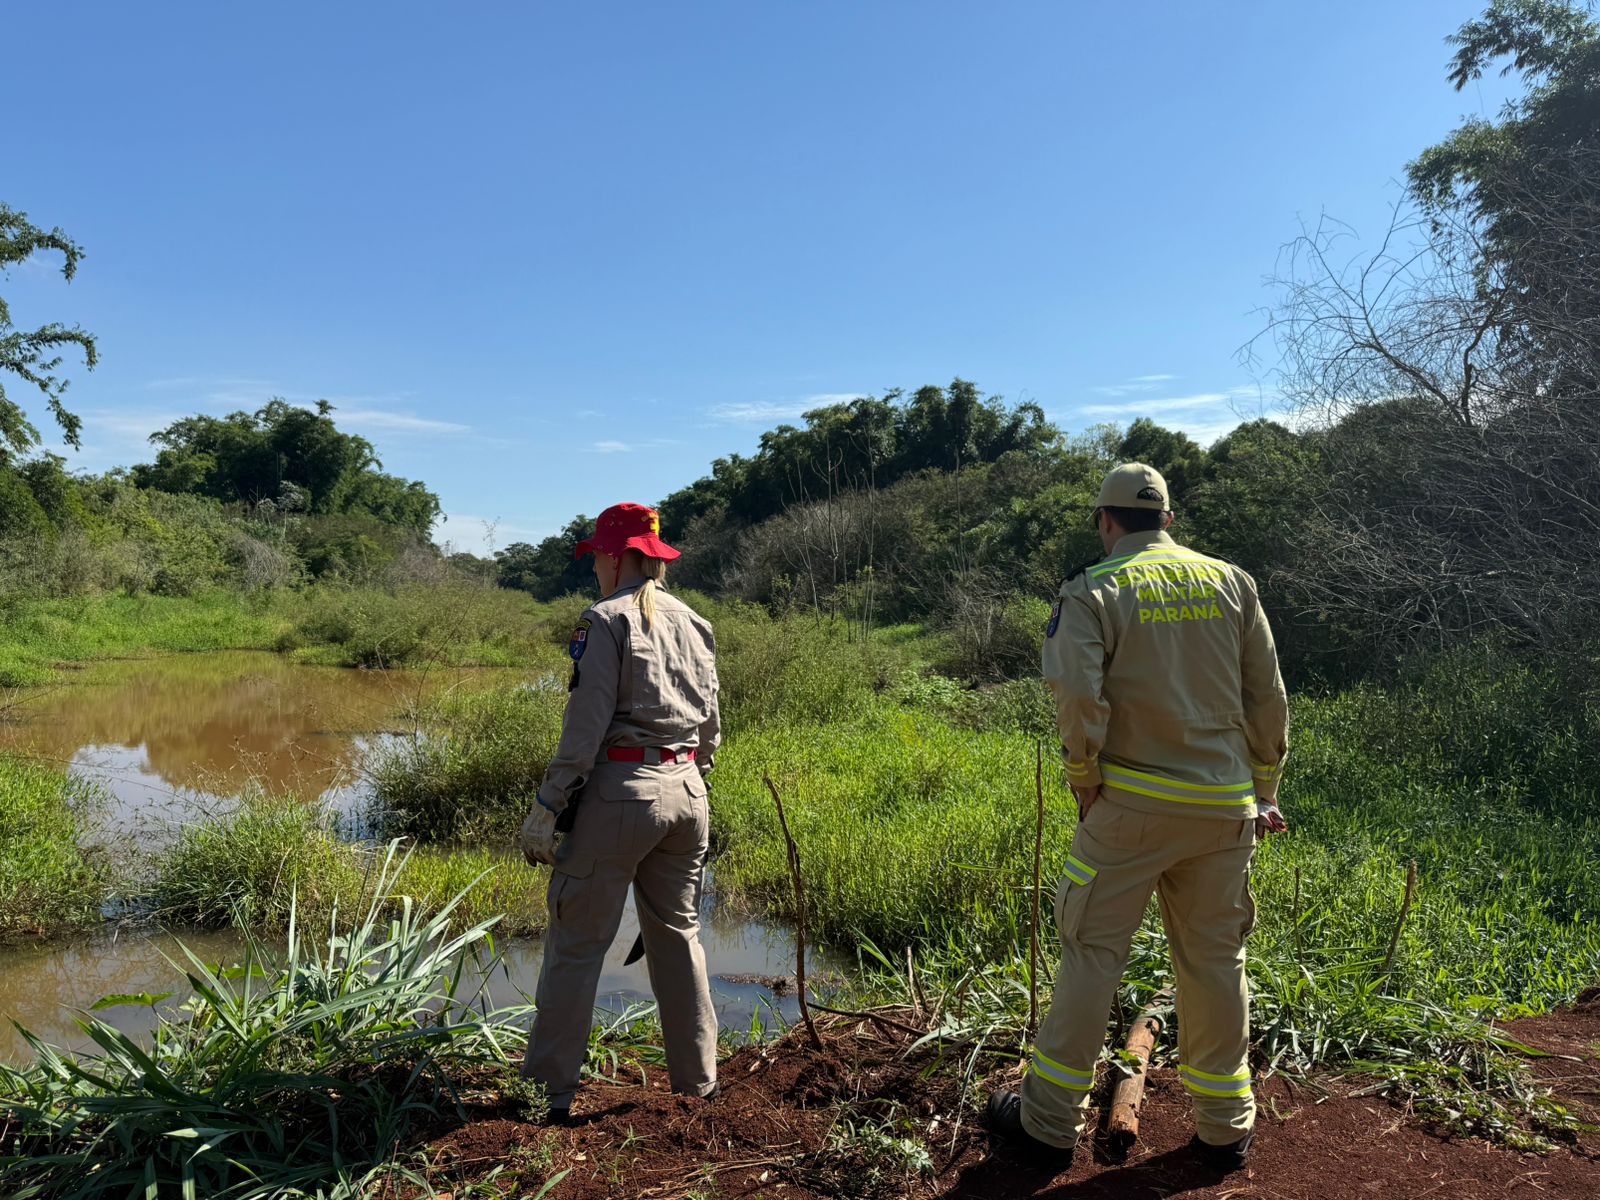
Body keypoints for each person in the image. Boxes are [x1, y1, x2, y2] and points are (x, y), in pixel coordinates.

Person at [987, 462, 1289, 1172]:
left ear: (1106, 521)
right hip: (1225, 810)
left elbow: (1076, 693)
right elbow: (1267, 696)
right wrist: (1266, 785)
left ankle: (1047, 1126)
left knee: (1093, 953)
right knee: (1217, 961)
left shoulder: (1092, 589)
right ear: (1169, 521)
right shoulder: (1232, 582)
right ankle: (1226, 1128)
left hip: (1129, 808)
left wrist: (1083, 775)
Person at [519, 502, 722, 1123]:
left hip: (620, 794)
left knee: (577, 946)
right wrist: (688, 780)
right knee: (678, 935)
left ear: (619, 557)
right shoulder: (696, 622)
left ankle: (546, 1097)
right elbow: (711, 727)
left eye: (598, 559)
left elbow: (585, 726)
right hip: (688, 792)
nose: (596, 571)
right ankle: (698, 1087)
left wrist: (547, 806)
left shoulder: (604, 620)